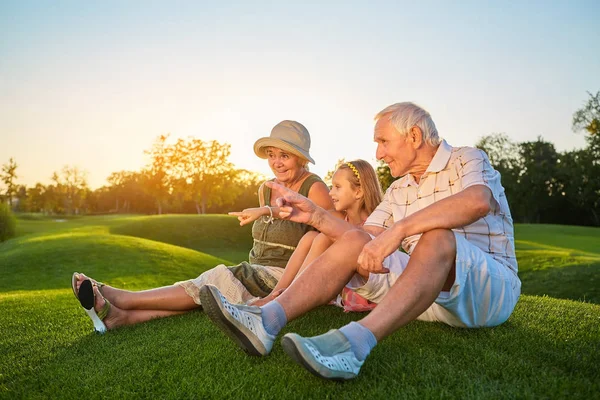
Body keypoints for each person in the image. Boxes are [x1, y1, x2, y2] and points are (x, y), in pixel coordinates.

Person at [199, 102, 521, 380]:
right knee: (354, 240)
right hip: (423, 296)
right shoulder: (398, 189)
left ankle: (354, 344)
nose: (378, 153)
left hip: (487, 293)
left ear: (414, 136)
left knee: (437, 237)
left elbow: (477, 201)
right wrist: (314, 215)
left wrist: (399, 231)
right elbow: (362, 237)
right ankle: (266, 320)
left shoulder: (466, 158)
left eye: (383, 141)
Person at [71, 120, 333, 333]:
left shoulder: (315, 188)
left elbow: (327, 239)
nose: (276, 162)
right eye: (272, 155)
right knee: (204, 295)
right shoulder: (265, 188)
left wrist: (286, 289)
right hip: (255, 269)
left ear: (301, 159)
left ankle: (122, 298)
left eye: (285, 156)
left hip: (287, 275)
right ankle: (122, 318)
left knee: (213, 280)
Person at [251, 159, 395, 311]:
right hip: (345, 278)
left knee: (323, 237)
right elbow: (309, 213)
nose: (331, 192)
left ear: (358, 191)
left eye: (337, 187)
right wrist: (268, 210)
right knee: (309, 237)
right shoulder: (339, 217)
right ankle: (275, 295)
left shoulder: (376, 222)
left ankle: (287, 297)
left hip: (371, 282)